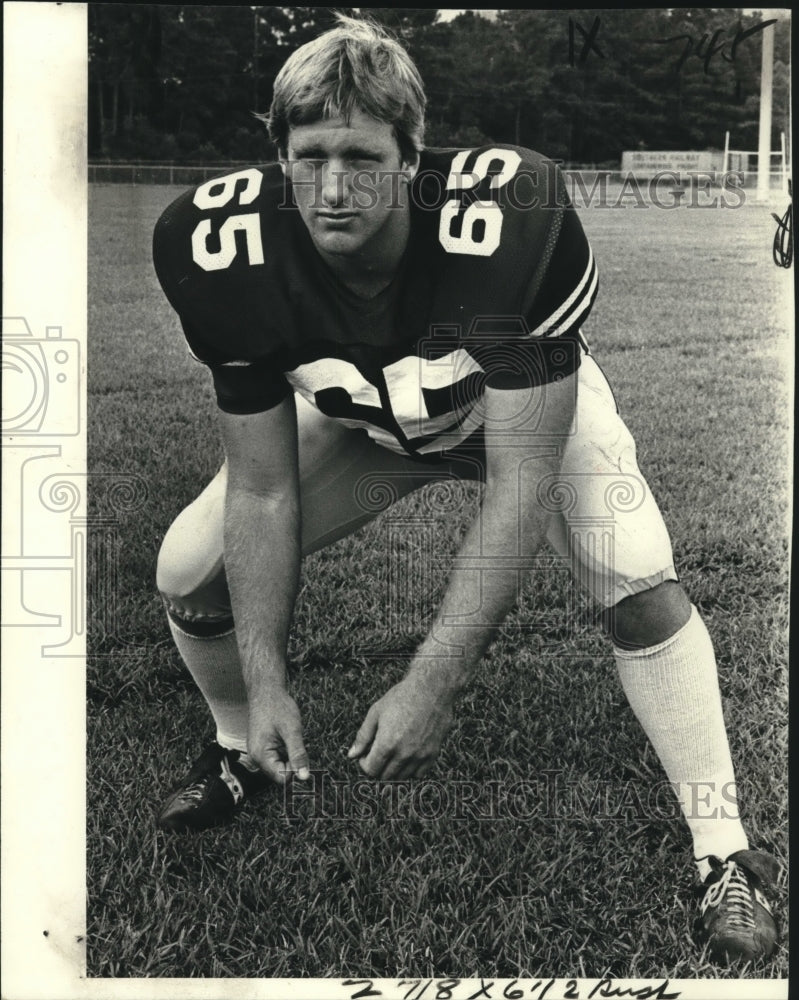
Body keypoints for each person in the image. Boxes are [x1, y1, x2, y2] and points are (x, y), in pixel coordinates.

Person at [151, 14, 779, 964]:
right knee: (187, 574)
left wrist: (433, 680)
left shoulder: (510, 215)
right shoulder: (220, 246)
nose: (332, 187)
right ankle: (241, 747)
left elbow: (519, 484)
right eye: (309, 155)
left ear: (412, 156)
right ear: (276, 153)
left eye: (361, 156)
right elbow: (263, 489)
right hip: (365, 420)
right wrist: (270, 678)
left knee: (640, 586)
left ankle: (720, 849)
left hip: (512, 412)